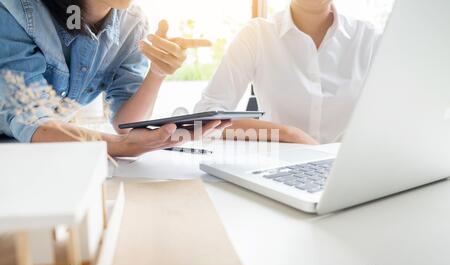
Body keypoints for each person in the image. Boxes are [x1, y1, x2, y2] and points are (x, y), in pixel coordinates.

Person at [0, 0, 231, 157]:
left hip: (38, 151)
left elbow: (125, 123)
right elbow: (33, 121)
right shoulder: (16, 10)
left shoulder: (132, 23)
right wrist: (123, 146)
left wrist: (157, 72)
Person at [195, 0, 381, 144]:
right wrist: (287, 134)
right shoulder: (257, 34)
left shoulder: (370, 39)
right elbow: (204, 117)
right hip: (276, 169)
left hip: (349, 172)